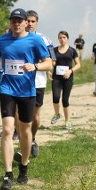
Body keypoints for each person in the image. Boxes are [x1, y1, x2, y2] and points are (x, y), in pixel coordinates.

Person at [0, 8, 53, 190]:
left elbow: (48, 62)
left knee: (25, 131)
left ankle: (24, 166)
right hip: (7, 89)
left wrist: (34, 66)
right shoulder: (1, 40)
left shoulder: (35, 40)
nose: (16, 23)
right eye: (13, 20)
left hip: (27, 91)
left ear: (26, 22)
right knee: (7, 130)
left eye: (20, 21)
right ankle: (8, 173)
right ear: (10, 22)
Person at [25, 10, 54, 158]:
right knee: (20, 115)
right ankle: (24, 141)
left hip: (38, 82)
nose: (29, 24)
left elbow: (52, 59)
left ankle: (33, 139)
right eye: (27, 21)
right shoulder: (16, 37)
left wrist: (45, 68)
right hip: (19, 82)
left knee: (35, 117)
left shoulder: (45, 39)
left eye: (32, 21)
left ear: (36, 22)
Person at [50, 31, 81, 130]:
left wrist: (70, 71)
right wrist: (48, 70)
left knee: (65, 100)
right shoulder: (53, 50)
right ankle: (57, 114)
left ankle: (67, 121)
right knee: (55, 97)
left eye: (64, 37)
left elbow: (78, 65)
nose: (62, 39)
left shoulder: (72, 50)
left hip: (68, 77)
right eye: (60, 37)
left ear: (67, 38)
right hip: (56, 77)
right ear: (58, 39)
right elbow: (51, 63)